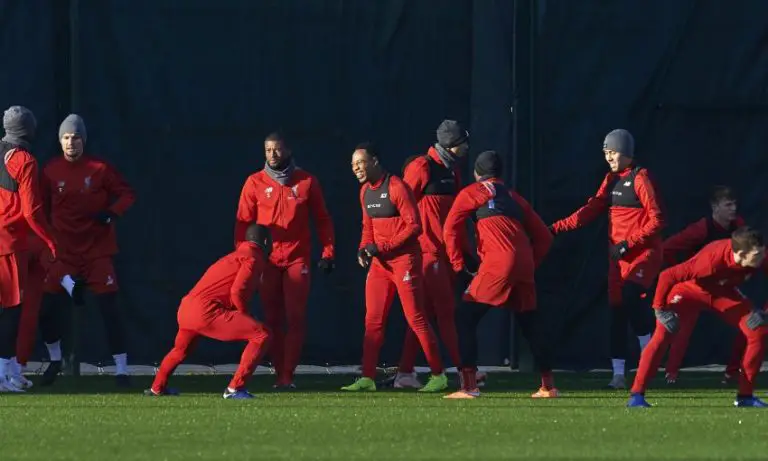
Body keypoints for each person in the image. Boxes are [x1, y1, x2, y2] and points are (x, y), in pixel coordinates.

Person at [550, 129, 664, 389]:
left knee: (631, 296)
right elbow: (590, 210)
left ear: (626, 152)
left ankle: (650, 350)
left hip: (641, 254)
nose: (609, 158)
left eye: (612, 152)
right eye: (606, 154)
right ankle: (619, 375)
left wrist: (627, 244)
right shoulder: (610, 180)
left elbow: (657, 219)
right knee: (616, 312)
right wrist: (555, 228)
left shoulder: (640, 178)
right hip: (618, 258)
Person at [442, 151, 555, 399]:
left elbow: (450, 228)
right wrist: (528, 265)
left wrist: (458, 265)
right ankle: (548, 385)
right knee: (530, 324)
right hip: (523, 263)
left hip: (498, 262)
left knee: (465, 317)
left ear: (477, 173)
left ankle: (469, 386)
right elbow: (545, 238)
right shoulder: (515, 197)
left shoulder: (472, 192)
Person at [37, 114, 136, 387]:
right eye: (66, 138)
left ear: (84, 140)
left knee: (110, 309)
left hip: (96, 251)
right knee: (45, 309)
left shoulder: (100, 168)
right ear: (60, 141)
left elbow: (127, 194)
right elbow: (40, 206)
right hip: (63, 253)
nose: (71, 143)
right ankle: (56, 359)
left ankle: (121, 370)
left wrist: (112, 213)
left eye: (76, 137)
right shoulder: (49, 171)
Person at [341, 142, 448, 392]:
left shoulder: (397, 187)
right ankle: (367, 377)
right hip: (380, 265)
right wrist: (364, 249)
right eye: (353, 164)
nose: (356, 168)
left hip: (404, 262)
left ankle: (438, 374)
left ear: (375, 161)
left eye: (361, 162)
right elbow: (368, 228)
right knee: (373, 321)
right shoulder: (365, 191)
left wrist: (381, 247)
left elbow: (414, 227)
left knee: (416, 318)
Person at [234, 132, 335, 389]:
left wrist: (328, 252)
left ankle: (287, 375)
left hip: (296, 259)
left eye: (277, 150)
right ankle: (279, 373)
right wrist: (244, 257)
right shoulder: (254, 182)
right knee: (271, 318)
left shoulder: (306, 181)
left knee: (296, 316)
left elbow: (322, 219)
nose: (272, 155)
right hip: (267, 261)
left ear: (288, 150)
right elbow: (242, 223)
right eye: (268, 150)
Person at [628, 226, 768, 408]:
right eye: (757, 254)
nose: (762, 257)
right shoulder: (710, 261)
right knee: (662, 336)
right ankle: (636, 395)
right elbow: (667, 275)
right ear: (741, 254)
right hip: (689, 291)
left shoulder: (761, 257)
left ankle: (745, 397)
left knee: (758, 331)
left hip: (722, 294)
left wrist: (765, 312)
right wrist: (660, 310)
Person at [145, 224, 272, 399]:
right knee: (261, 334)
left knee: (180, 351)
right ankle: (235, 389)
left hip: (186, 308)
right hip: (206, 311)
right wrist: (245, 313)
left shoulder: (234, 255)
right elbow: (237, 291)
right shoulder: (253, 257)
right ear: (265, 241)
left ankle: (156, 388)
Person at [390, 120, 469, 389]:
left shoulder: (453, 172)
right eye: (463, 142)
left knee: (424, 314)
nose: (467, 146)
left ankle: (404, 373)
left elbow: (456, 215)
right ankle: (463, 370)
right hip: (426, 253)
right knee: (445, 312)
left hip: (445, 254)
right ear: (451, 145)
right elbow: (401, 203)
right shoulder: (422, 166)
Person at [662, 185, 745, 384]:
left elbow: (748, 253)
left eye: (734, 204)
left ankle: (731, 373)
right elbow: (668, 247)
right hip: (695, 286)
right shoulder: (701, 229)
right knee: (681, 330)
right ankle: (670, 374)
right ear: (715, 207)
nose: (733, 209)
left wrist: (736, 277)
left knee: (749, 322)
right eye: (728, 204)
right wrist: (682, 272)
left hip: (721, 287)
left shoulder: (738, 226)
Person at [0, 106, 58, 392]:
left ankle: (10, 371)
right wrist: (50, 240)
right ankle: (3, 374)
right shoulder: (25, 161)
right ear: (29, 129)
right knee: (11, 311)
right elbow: (32, 212)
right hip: (8, 243)